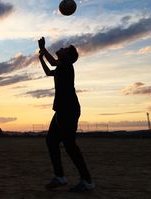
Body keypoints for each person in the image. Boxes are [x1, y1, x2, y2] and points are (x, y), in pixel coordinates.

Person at [38, 37, 95, 192]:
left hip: (68, 110)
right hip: (62, 110)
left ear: (68, 57)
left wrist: (43, 49)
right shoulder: (62, 67)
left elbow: (52, 63)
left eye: (64, 49)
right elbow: (49, 71)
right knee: (51, 141)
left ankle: (87, 180)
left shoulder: (67, 65)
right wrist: (41, 58)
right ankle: (60, 177)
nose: (61, 48)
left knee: (70, 145)